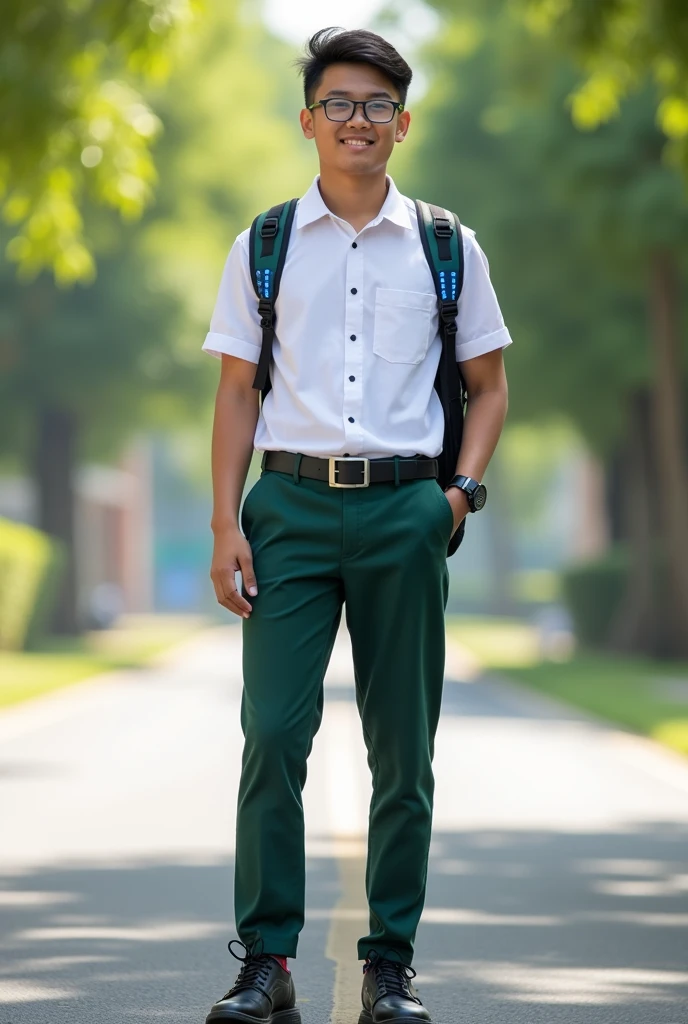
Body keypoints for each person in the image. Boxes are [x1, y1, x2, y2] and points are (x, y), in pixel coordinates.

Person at [202, 26, 511, 1024]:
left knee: (402, 751)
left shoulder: (446, 246)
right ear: (308, 120)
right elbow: (237, 392)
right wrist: (224, 524)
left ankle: (389, 966)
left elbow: (489, 387)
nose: (357, 121)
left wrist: (454, 496)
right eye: (338, 103)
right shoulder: (263, 243)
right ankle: (267, 963)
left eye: (377, 106)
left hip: (403, 512)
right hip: (286, 509)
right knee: (272, 735)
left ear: (402, 124)